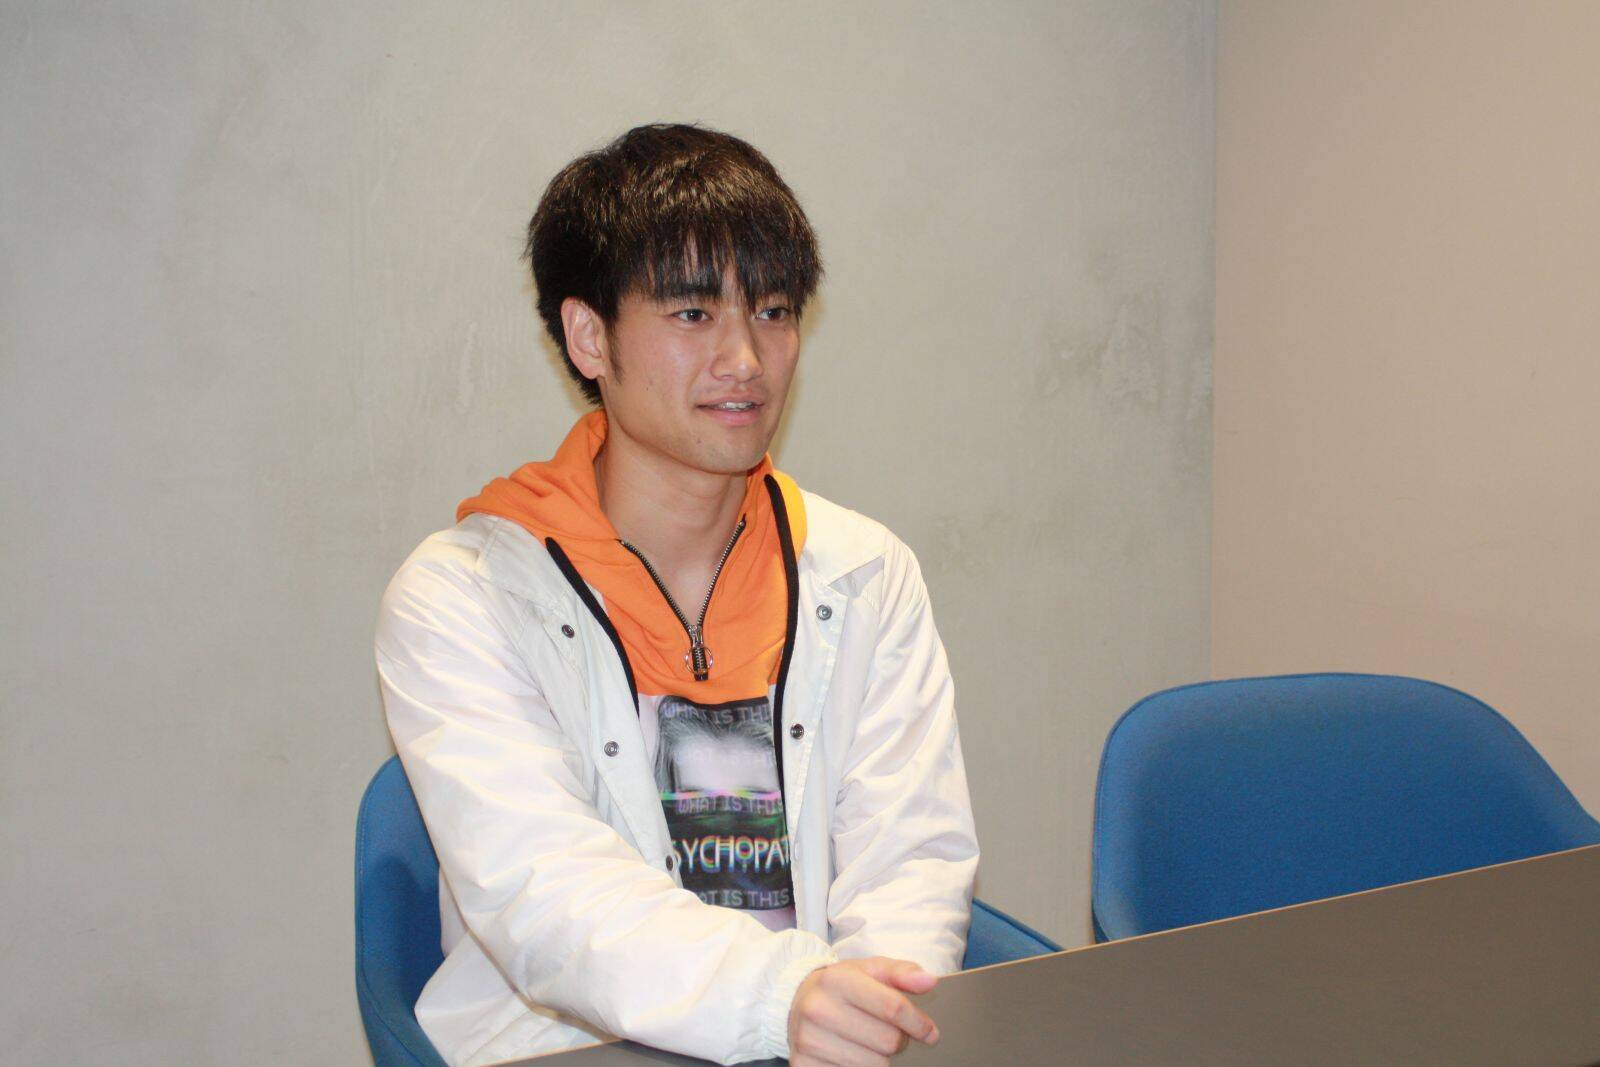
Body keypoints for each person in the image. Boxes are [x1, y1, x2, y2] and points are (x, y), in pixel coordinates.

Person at [375, 123, 978, 1067]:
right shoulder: (463, 595)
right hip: (571, 1045)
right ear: (590, 336)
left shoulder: (863, 572)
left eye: (773, 311)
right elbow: (549, 898)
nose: (746, 358)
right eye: (694, 314)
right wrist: (782, 998)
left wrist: (869, 1009)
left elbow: (911, 859)